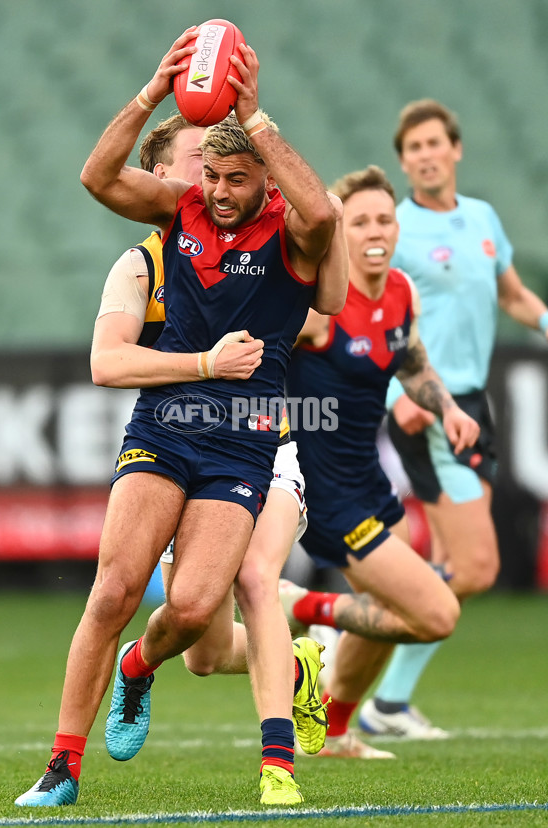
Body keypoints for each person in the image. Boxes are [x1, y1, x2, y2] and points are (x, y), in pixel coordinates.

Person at [15, 28, 340, 809]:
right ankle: (62, 765)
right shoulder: (179, 212)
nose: (220, 191)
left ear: (262, 176)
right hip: (164, 425)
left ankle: (137, 666)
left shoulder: (291, 238)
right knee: (114, 589)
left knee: (193, 611)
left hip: (243, 445)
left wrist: (258, 119)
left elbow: (323, 214)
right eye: (214, 176)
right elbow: (97, 178)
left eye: (236, 178)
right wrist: (149, 93)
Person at [91, 111, 336, 767]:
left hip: (267, 439)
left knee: (255, 578)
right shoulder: (144, 262)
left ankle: (277, 762)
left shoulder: (263, 237)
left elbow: (320, 313)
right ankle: (293, 663)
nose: (213, 180)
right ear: (162, 176)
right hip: (181, 442)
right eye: (199, 162)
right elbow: (108, 363)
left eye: (225, 168)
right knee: (198, 642)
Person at [357, 99, 548, 740]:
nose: (426, 155)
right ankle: (348, 632)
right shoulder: (396, 230)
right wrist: (397, 400)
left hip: (474, 402)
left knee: (450, 566)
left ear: (456, 149)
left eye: (435, 142)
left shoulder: (482, 219)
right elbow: (370, 318)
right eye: (414, 148)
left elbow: (513, 295)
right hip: (427, 408)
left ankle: (387, 703)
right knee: (475, 569)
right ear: (405, 160)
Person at [279, 164, 480, 758]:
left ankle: (334, 731)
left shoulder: (400, 291)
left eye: (384, 219)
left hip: (368, 483)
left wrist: (446, 408)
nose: (374, 230)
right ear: (336, 231)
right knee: (436, 614)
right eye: (358, 219)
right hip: (326, 496)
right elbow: (254, 356)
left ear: (398, 228)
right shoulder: (315, 308)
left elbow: (411, 362)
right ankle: (302, 606)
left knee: (391, 614)